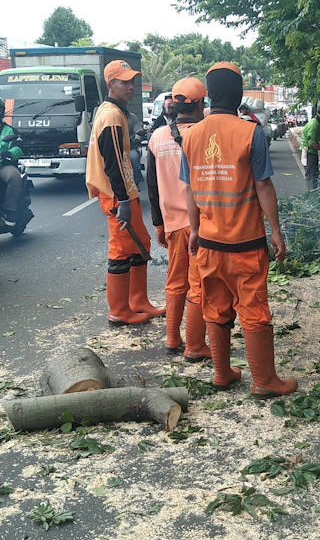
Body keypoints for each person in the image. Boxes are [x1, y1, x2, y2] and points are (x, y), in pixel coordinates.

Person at [180, 62, 297, 398]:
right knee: (253, 308)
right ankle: (264, 381)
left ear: (211, 94)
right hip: (244, 245)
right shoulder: (250, 133)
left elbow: (189, 189)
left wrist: (193, 230)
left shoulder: (193, 136)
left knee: (215, 307)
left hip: (209, 244)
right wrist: (275, 231)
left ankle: (222, 372)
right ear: (238, 93)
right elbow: (263, 187)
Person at [85, 60, 166, 326]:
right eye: (124, 82)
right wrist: (122, 199)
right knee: (121, 250)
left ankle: (138, 302)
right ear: (110, 84)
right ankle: (119, 310)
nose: (131, 86)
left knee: (139, 244)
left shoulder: (115, 112)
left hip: (124, 192)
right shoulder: (110, 116)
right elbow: (113, 162)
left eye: (132, 81)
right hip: (115, 193)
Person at [147, 77, 212, 362]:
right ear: (200, 103)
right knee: (198, 285)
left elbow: (151, 184)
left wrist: (158, 224)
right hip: (203, 223)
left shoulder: (157, 136)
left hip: (172, 223)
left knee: (175, 281)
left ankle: (172, 337)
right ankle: (196, 346)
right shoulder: (206, 134)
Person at [0, 103, 25, 228]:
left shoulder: (9, 130)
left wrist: (7, 154)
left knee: (14, 176)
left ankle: (9, 211)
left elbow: (18, 148)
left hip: (2, 165)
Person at [300, 101, 320, 190]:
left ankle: (314, 190)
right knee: (311, 174)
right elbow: (312, 143)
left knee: (315, 173)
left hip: (312, 151)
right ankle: (311, 192)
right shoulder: (314, 124)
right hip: (309, 151)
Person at [127, 111, 145, 187]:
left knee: (133, 157)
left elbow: (138, 130)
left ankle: (135, 182)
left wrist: (136, 140)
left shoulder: (132, 117)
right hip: (114, 148)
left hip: (130, 147)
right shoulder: (110, 118)